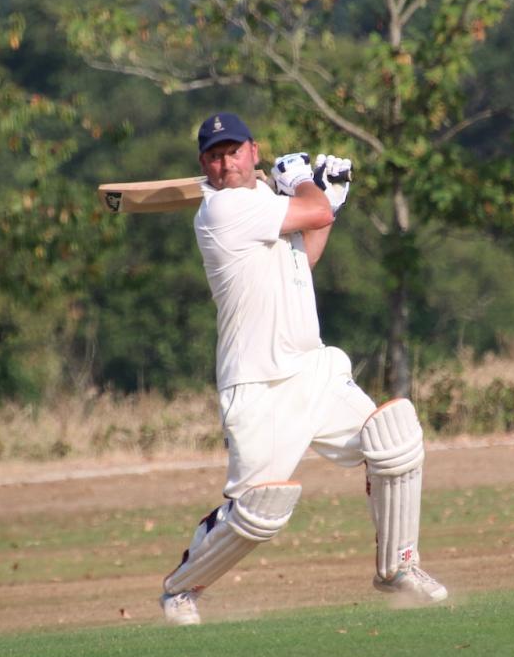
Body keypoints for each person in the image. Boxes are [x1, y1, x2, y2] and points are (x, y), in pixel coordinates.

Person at [159, 112, 448, 626]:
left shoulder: (267, 207)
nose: (224, 162)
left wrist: (324, 203)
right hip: (258, 385)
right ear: (204, 164)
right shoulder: (223, 210)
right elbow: (311, 213)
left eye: (232, 151)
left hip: (311, 368)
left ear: (253, 152)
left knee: (395, 439)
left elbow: (301, 258)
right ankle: (181, 590)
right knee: (258, 514)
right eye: (213, 155)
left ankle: (398, 569)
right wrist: (311, 188)